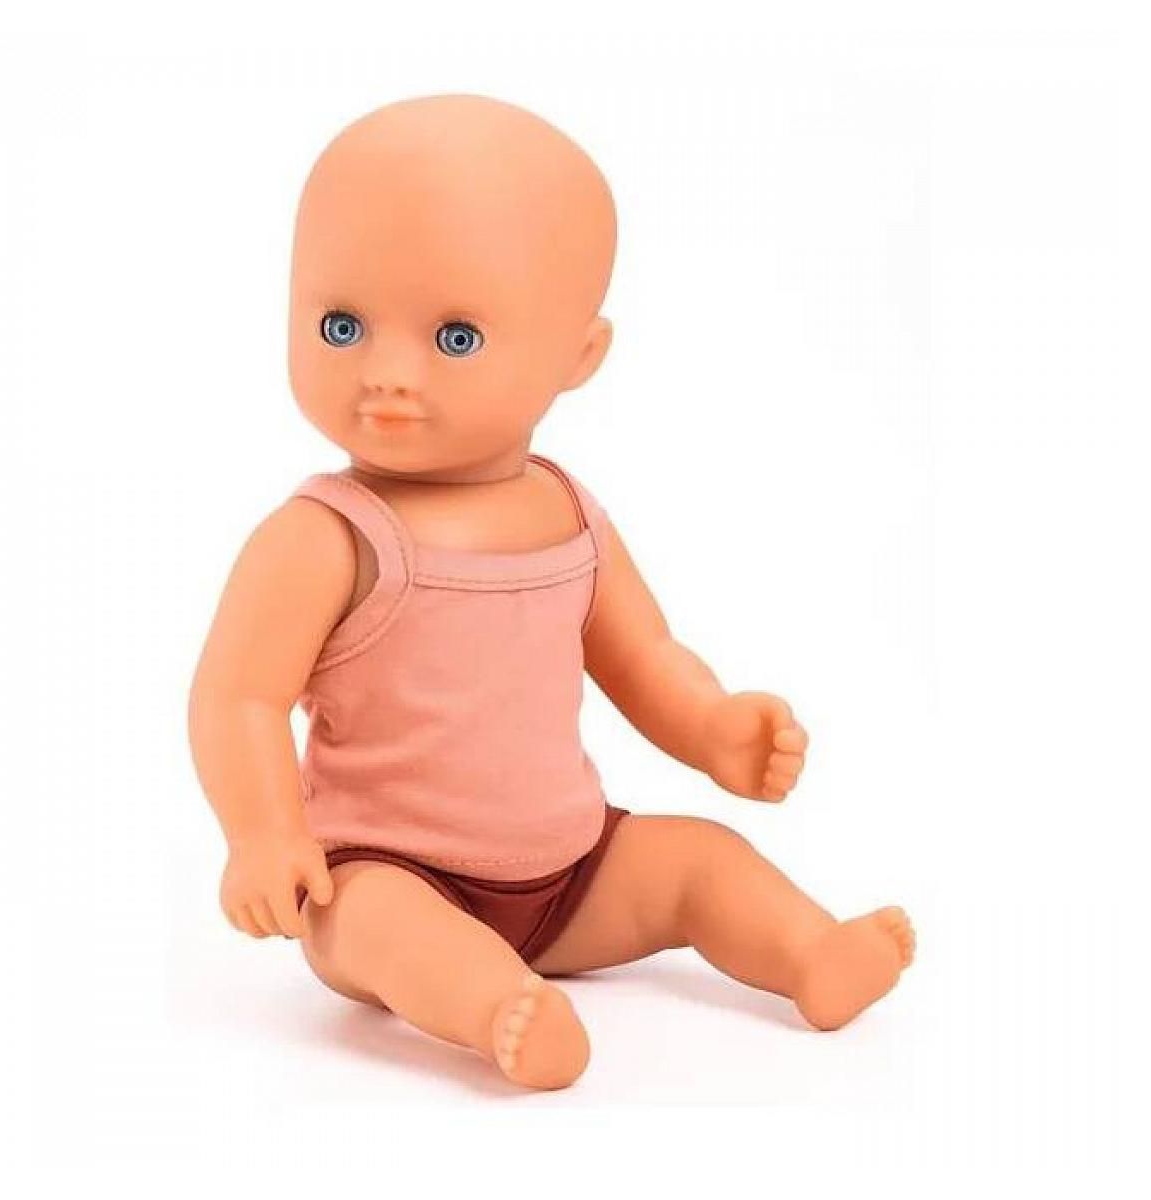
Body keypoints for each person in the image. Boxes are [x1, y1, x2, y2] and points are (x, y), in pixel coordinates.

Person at [188, 94, 914, 1091]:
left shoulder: (571, 512)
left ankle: (812, 954)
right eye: (341, 325)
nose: (386, 374)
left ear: (579, 357)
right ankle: (498, 1012)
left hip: (574, 869)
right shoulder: (324, 537)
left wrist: (710, 727)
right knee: (385, 931)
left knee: (700, 862)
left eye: (454, 338)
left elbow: (643, 655)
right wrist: (265, 835)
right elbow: (238, 698)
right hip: (380, 867)